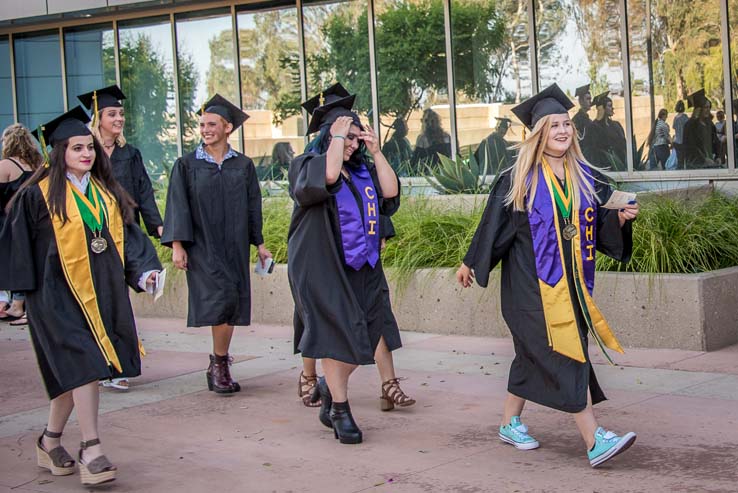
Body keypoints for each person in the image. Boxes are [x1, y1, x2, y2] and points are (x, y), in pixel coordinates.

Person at [456, 84, 639, 468]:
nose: (562, 130)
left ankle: (509, 422)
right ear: (537, 132)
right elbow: (493, 226)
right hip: (529, 289)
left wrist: (619, 218)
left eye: (566, 124)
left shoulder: (583, 174)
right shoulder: (519, 177)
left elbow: (599, 218)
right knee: (566, 354)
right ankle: (594, 439)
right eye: (553, 125)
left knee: (530, 357)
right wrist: (472, 262)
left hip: (570, 286)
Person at [0, 106, 162, 485]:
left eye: (89, 147)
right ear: (59, 153)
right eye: (77, 148)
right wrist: (15, 295)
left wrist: (145, 272)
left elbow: (127, 240)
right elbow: (16, 248)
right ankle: (92, 448)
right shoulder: (36, 197)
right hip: (53, 298)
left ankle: (49, 439)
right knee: (86, 366)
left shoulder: (105, 194)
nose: (86, 154)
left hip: (99, 296)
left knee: (75, 374)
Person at [288, 83, 404, 444]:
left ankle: (327, 383)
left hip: (363, 266)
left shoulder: (364, 169)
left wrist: (375, 150)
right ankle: (340, 409)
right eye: (347, 137)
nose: (353, 144)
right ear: (329, 135)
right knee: (336, 338)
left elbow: (390, 193)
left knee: (365, 338)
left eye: (356, 137)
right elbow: (327, 177)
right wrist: (338, 136)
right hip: (323, 268)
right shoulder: (306, 164)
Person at [162, 94, 271, 394]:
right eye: (202, 124)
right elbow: (177, 205)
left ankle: (218, 363)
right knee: (220, 300)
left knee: (231, 302)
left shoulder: (243, 165)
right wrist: (177, 245)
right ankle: (220, 364)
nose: (205, 129)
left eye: (212, 124)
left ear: (227, 128)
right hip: (203, 245)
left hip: (234, 246)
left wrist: (259, 244)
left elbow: (253, 206)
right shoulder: (186, 165)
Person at [78, 84, 164, 391]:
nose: (119, 119)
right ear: (97, 118)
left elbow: (144, 194)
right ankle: (96, 363)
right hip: (90, 236)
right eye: (112, 114)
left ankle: (117, 367)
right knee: (95, 299)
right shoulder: (85, 152)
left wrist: (160, 228)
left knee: (117, 301)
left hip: (123, 233)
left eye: (121, 114)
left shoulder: (130, 154)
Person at [0, 123, 44, 326]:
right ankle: (23, 304)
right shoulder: (38, 163)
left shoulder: (6, 165)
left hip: (12, 222)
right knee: (32, 261)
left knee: (16, 261)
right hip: (37, 221)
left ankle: (16, 305)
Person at [589, 91, 627, 170]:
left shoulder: (616, 125)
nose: (612, 108)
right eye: (609, 106)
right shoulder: (594, 127)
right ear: (602, 108)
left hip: (620, 165)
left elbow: (623, 143)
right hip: (605, 166)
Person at [682, 89, 715, 168]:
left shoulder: (710, 124)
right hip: (696, 166)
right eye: (705, 107)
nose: (708, 110)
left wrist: (718, 157)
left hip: (711, 164)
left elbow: (715, 141)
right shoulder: (690, 126)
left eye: (709, 107)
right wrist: (703, 159)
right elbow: (691, 146)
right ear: (699, 109)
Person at [571, 84, 595, 162]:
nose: (590, 102)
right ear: (580, 101)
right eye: (588, 99)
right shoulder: (576, 121)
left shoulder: (588, 120)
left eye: (590, 99)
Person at [672, 100, 689, 168]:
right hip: (684, 141)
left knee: (680, 161)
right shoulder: (685, 117)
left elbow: (674, 127)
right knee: (687, 160)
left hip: (677, 142)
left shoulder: (675, 118)